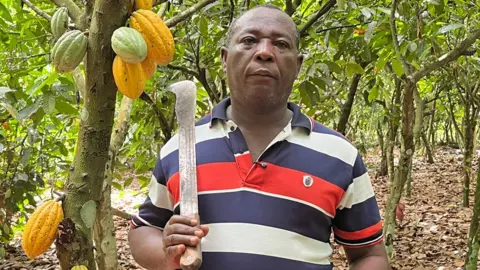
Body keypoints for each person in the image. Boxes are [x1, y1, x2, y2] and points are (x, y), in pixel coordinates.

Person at [128, 4, 389, 270]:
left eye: (281, 44)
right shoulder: (180, 149)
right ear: (225, 58)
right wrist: (165, 253)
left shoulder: (339, 154)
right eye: (249, 41)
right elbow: (143, 230)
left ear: (298, 65)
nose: (264, 52)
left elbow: (370, 255)